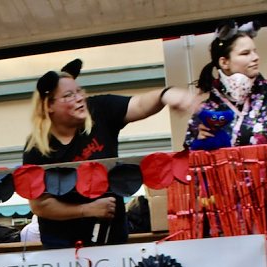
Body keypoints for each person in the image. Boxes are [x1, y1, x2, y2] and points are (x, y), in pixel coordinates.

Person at [23, 59, 198, 249]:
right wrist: (86, 210)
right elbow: (40, 205)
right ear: (49, 105)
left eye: (79, 92)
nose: (79, 98)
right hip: (63, 246)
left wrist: (166, 94)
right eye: (68, 95)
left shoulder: (99, 110)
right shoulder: (36, 149)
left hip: (111, 238)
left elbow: (138, 105)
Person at [185, 21, 267, 158]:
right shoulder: (206, 109)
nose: (255, 58)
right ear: (224, 62)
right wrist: (200, 144)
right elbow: (190, 160)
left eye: (255, 52)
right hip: (231, 178)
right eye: (245, 53)